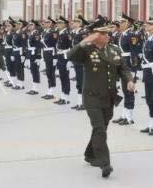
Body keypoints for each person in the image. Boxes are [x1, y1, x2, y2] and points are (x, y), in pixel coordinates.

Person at [67, 17, 134, 178]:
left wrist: (129, 80)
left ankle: (90, 154)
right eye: (103, 34)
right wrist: (85, 41)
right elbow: (71, 56)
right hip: (92, 97)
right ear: (95, 35)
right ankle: (104, 163)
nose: (107, 36)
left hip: (109, 97)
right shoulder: (87, 50)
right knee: (99, 129)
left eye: (107, 33)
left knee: (101, 128)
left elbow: (123, 69)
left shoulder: (114, 50)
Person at [114, 14, 142, 125]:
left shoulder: (131, 35)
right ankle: (124, 115)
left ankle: (129, 118)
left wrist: (133, 70)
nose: (120, 24)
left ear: (127, 23)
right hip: (123, 65)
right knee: (125, 91)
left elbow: (134, 53)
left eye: (122, 22)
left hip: (129, 66)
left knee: (129, 92)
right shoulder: (123, 34)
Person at [54, 16, 72, 105]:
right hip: (60, 56)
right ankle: (63, 97)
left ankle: (66, 98)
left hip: (65, 58)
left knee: (65, 78)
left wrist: (69, 60)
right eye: (58, 23)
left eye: (60, 23)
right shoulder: (60, 33)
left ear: (65, 24)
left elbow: (71, 47)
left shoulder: (67, 34)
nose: (58, 25)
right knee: (62, 77)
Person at [40, 17, 58, 100]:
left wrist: (55, 57)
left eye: (48, 22)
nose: (46, 24)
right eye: (45, 22)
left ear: (50, 24)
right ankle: (49, 90)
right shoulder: (44, 32)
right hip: (46, 54)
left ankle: (51, 92)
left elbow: (55, 44)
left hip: (51, 54)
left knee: (51, 73)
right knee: (48, 72)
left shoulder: (53, 32)